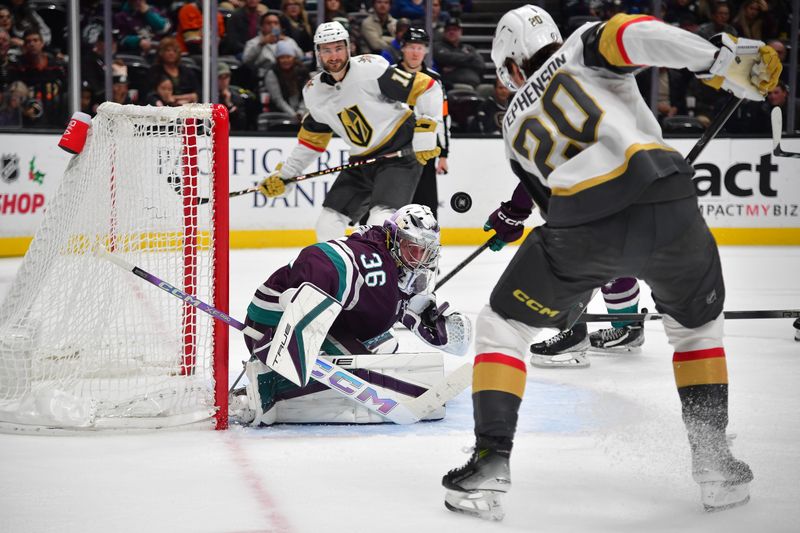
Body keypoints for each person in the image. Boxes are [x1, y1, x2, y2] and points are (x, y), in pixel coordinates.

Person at [441, 5, 781, 520]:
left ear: (509, 66)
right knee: (697, 332)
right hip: (669, 203)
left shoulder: (511, 127)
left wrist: (568, 291)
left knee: (501, 328)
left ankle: (491, 458)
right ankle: (714, 465)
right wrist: (717, 60)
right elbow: (633, 32)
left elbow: (553, 213)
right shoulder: (579, 45)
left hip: (582, 228)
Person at [235, 204, 471, 425]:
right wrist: (304, 298)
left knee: (385, 348)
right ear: (394, 239)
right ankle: (267, 387)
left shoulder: (399, 269)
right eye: (414, 250)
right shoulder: (372, 260)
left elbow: (409, 307)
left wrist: (436, 323)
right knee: (365, 377)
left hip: (328, 326)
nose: (421, 260)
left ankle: (296, 384)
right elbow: (321, 257)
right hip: (274, 326)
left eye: (427, 252)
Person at [257, 21, 443, 243]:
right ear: (317, 53)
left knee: (380, 220)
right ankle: (340, 273)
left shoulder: (370, 68)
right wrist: (286, 176)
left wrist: (425, 135)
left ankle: (388, 274)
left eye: (338, 48)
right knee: (327, 224)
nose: (333, 56)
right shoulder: (313, 92)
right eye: (326, 50)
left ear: (349, 47)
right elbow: (310, 142)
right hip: (361, 160)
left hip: (398, 152)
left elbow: (427, 87)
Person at [393, 26, 450, 219]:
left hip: (424, 151)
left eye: (420, 47)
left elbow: (442, 118)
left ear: (426, 50)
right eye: (411, 47)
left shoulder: (435, 79)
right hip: (393, 150)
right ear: (402, 48)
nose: (415, 52)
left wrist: (443, 153)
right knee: (392, 204)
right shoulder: (388, 75)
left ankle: (429, 245)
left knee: (425, 205)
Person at [242, 11, 304, 81]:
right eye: (268, 23)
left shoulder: (288, 40)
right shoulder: (254, 42)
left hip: (289, 77)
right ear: (261, 26)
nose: (272, 26)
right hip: (263, 78)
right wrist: (261, 44)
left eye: (276, 23)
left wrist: (287, 42)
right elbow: (246, 61)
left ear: (280, 26)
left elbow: (300, 56)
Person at [264, 40, 310, 120]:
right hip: (281, 113)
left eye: (288, 57)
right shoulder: (272, 73)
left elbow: (307, 94)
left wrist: (301, 112)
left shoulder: (302, 70)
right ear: (277, 59)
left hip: (302, 112)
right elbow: (278, 99)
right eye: (282, 57)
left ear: (293, 58)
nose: (285, 60)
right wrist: (293, 115)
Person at [433, 18, 485, 89]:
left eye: (455, 29)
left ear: (461, 31)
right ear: (444, 32)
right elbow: (446, 58)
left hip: (474, 85)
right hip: (449, 86)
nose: (451, 32)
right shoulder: (438, 46)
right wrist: (470, 58)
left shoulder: (468, 48)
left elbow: (481, 64)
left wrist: (456, 65)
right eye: (448, 29)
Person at [147, 37, 200, 105]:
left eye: (174, 51)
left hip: (186, 105)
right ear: (161, 53)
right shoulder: (154, 71)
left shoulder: (187, 71)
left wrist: (176, 98)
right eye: (168, 50)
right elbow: (150, 93)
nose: (171, 53)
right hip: (162, 106)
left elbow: (197, 93)